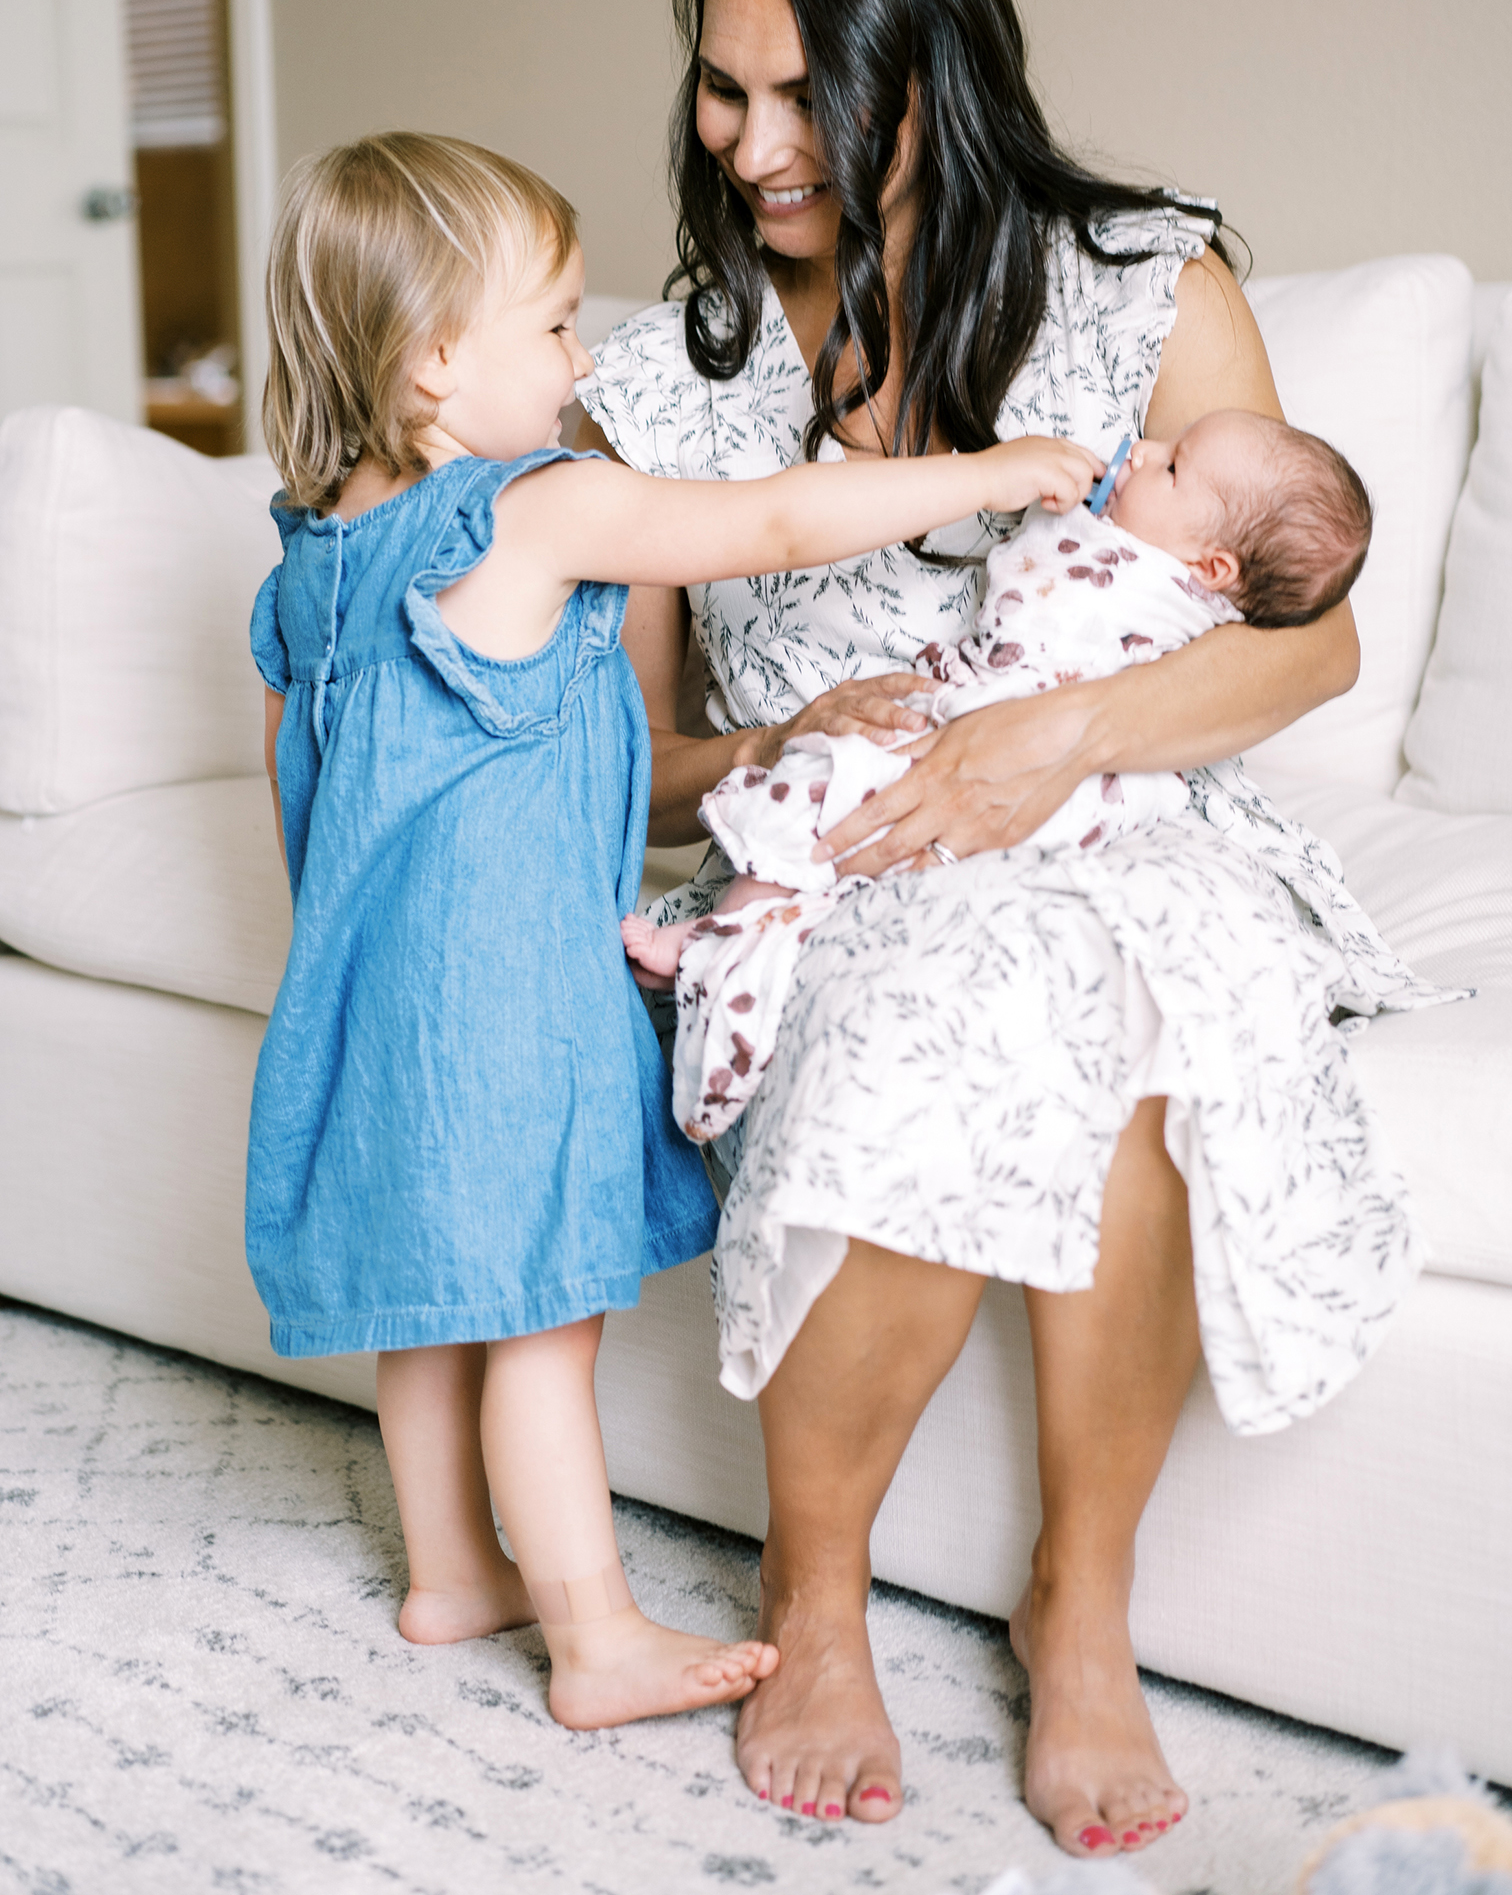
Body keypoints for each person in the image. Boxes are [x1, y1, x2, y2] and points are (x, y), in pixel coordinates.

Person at [572, 0, 1447, 1852]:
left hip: (1114, 800)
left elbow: (1300, 655)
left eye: (810, 95)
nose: (753, 140)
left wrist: (1053, 742)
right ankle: (815, 1604)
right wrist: (784, 742)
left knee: (1111, 984)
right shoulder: (658, 389)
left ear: (932, 71)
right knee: (948, 977)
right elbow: (628, 775)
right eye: (725, 87)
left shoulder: (1145, 286)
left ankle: (1084, 1612)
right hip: (844, 840)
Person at [247, 130, 1102, 1736]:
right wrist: (990, 475)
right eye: (557, 326)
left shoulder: (313, 560)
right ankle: (594, 1634)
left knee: (431, 1304)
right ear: (436, 363)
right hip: (505, 995)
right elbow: (773, 522)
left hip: (358, 989)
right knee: (538, 1325)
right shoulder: (533, 510)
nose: (585, 360)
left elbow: (299, 788)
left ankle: (451, 1570)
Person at [622, 409, 1380, 1145]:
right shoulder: (646, 407)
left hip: (1074, 789)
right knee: (842, 826)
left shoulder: (1162, 588)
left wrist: (1063, 728)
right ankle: (736, 952)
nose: (1143, 449)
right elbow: (632, 773)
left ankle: (731, 954)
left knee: (868, 840)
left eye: (1172, 464)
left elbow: (1305, 648)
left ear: (1213, 569)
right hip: (954, 737)